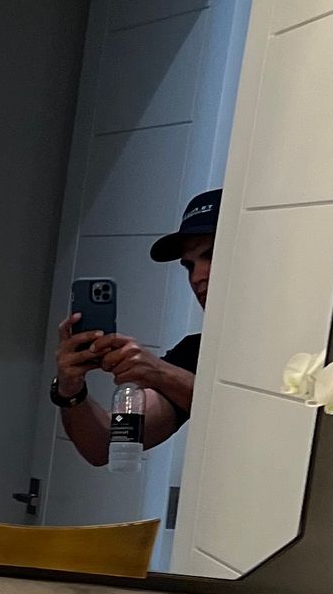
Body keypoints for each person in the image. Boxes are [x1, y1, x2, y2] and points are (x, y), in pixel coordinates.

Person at [50, 188, 218, 468]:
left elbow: (252, 420)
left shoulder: (297, 345)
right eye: (189, 266)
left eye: (211, 256)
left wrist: (162, 374)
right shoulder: (195, 353)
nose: (198, 277)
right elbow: (103, 446)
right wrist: (70, 388)